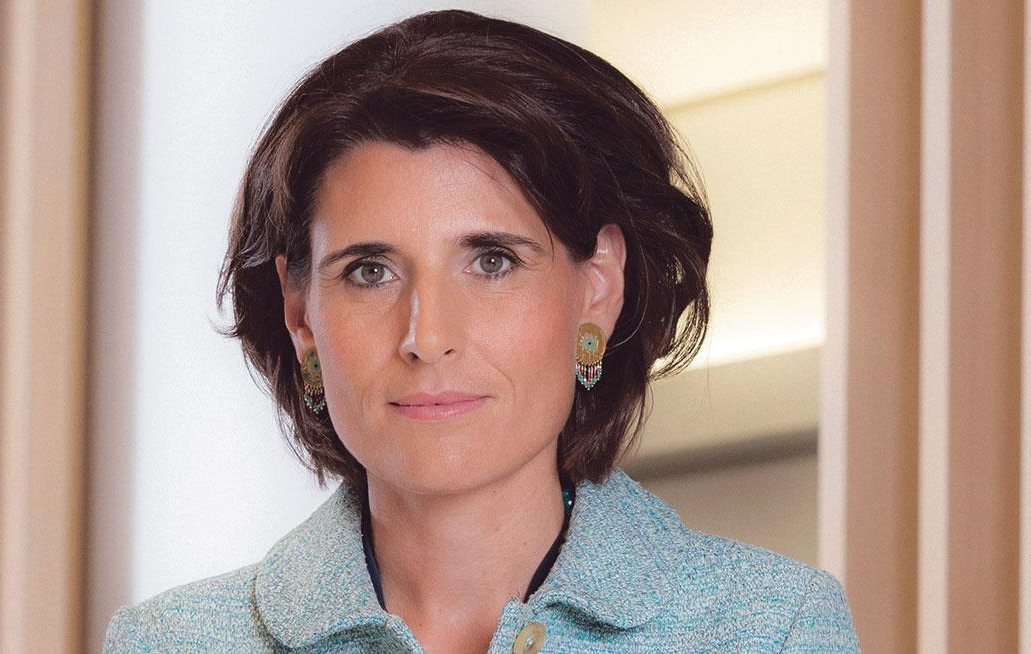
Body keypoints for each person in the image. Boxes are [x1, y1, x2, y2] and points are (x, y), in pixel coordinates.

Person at [102, 8, 860, 653]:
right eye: (370, 271)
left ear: (597, 288)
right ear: (301, 315)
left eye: (492, 262)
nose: (427, 336)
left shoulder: (771, 629)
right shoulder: (169, 643)